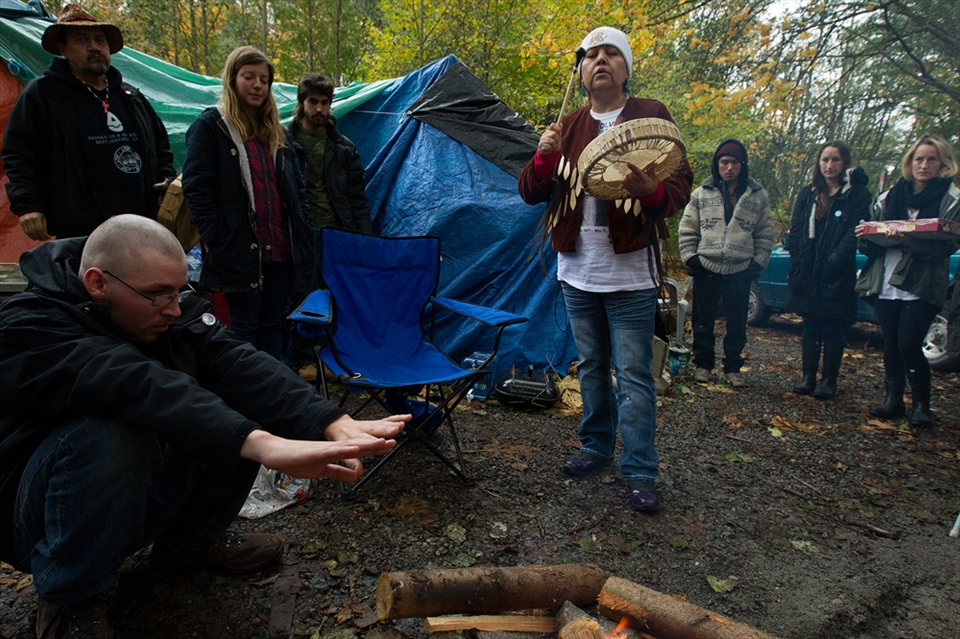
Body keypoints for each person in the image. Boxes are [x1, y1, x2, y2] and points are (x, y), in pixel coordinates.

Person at [0, 215, 407, 639]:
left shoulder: (158, 299)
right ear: (98, 283)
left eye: (180, 291)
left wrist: (332, 422)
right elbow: (134, 383)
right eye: (159, 296)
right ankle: (71, 597)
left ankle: (188, 546)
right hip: (30, 513)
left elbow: (233, 360)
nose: (175, 309)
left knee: (227, 398)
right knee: (113, 430)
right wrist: (262, 443)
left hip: (126, 486)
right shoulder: (29, 324)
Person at [518, 27, 693, 513]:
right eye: (591, 54)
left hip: (631, 272)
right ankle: (595, 447)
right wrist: (543, 157)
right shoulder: (568, 125)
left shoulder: (650, 116)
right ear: (581, 70)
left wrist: (650, 192)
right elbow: (531, 192)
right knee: (592, 366)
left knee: (633, 373)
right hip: (577, 270)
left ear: (626, 67)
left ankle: (639, 468)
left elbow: (680, 183)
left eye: (611, 53)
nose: (599, 60)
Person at [182, 46, 317, 361]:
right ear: (232, 79)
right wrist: (218, 237)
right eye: (249, 77)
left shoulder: (277, 133)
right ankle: (248, 397)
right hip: (240, 250)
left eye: (264, 79)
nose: (258, 85)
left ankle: (277, 399)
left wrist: (303, 234)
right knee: (244, 326)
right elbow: (196, 187)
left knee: (273, 325)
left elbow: (296, 191)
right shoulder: (212, 126)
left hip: (279, 249)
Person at [1, 4, 175, 241]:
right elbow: (19, 155)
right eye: (81, 39)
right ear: (63, 48)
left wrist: (165, 185)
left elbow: (161, 148)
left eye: (100, 40)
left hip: (141, 226)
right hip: (79, 230)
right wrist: (28, 205)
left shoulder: (130, 97)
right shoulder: (43, 96)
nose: (94, 47)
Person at [855, 134, 960, 427]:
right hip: (885, 279)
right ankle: (893, 400)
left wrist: (910, 241)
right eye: (918, 159)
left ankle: (922, 405)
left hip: (921, 284)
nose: (924, 165)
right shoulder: (889, 197)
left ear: (943, 164)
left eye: (931, 159)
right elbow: (867, 245)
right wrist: (867, 234)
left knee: (909, 343)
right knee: (890, 341)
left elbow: (948, 246)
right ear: (909, 162)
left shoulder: (951, 200)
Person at [285, 72, 374, 379]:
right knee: (302, 296)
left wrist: (365, 240)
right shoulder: (285, 142)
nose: (319, 109)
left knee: (336, 295)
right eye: (313, 102)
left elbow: (357, 198)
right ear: (302, 103)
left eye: (324, 102)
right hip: (297, 234)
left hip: (336, 233)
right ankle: (300, 360)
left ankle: (328, 359)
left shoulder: (342, 147)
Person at [678, 139, 775, 387]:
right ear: (717, 164)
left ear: (742, 164)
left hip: (740, 267)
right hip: (706, 266)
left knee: (737, 323)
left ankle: (732, 368)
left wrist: (758, 262)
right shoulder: (701, 194)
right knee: (703, 320)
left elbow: (765, 231)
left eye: (734, 162)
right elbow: (687, 228)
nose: (729, 167)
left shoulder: (757, 195)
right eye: (724, 162)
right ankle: (703, 365)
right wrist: (691, 257)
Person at [785, 142, 871, 399]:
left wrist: (834, 261)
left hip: (836, 271)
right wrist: (798, 260)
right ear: (818, 163)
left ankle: (829, 381)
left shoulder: (857, 194)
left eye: (835, 160)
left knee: (834, 327)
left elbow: (853, 233)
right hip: (808, 270)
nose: (829, 165)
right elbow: (797, 227)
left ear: (844, 162)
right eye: (825, 160)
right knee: (810, 325)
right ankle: (808, 377)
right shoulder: (808, 193)